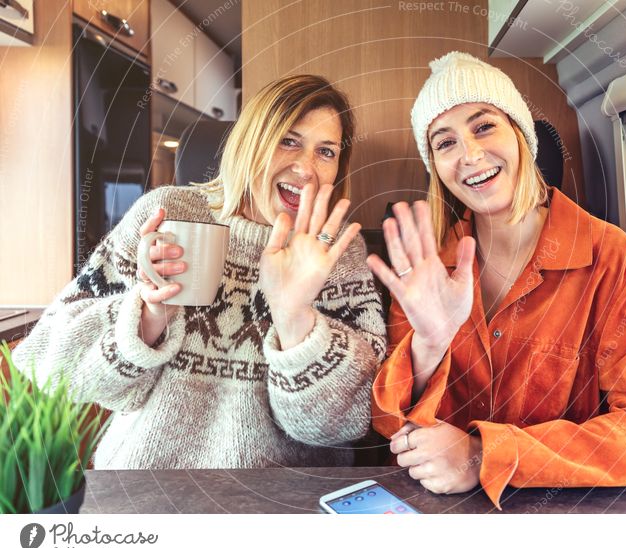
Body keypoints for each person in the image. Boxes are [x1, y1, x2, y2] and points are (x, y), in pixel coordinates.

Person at [368, 52, 626, 509]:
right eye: (445, 143)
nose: (470, 154)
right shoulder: (427, 264)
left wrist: (485, 454)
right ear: (436, 169)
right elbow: (390, 422)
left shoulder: (612, 260)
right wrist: (427, 346)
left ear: (521, 135)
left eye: (484, 126)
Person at [13, 75, 386, 469]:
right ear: (250, 143)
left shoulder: (338, 253)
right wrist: (147, 315)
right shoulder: (170, 216)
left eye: (326, 151)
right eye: (288, 141)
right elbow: (49, 363)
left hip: (274, 507)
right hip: (146, 493)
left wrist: (296, 319)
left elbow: (345, 422)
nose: (306, 168)